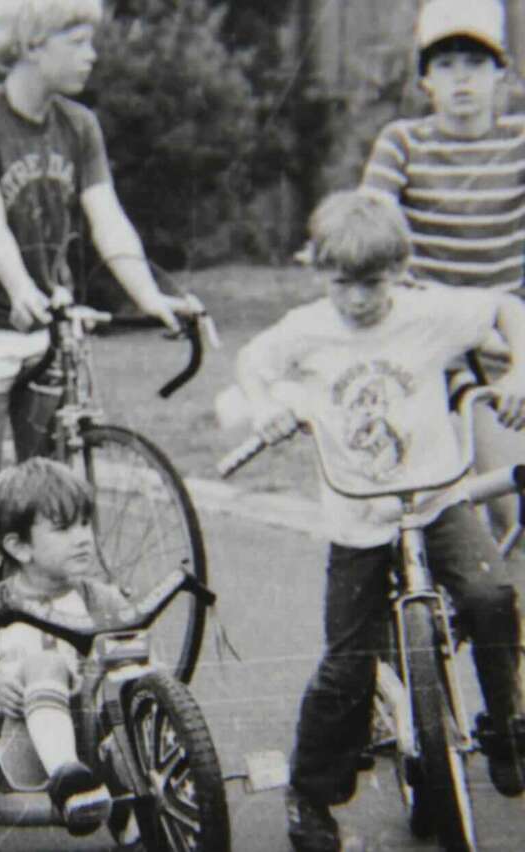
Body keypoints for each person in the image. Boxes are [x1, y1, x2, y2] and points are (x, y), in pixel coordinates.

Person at [235, 191, 525, 852]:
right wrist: (269, 407)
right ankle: (311, 798)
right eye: (341, 283)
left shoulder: (426, 315)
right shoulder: (308, 327)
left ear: (399, 269)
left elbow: (508, 308)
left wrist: (519, 375)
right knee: (347, 666)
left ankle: (505, 725)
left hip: (436, 497)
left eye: (371, 283)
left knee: (490, 595)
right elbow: (256, 363)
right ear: (320, 274)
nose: (356, 299)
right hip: (359, 518)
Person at [0, 0, 196, 566]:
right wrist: (19, 286)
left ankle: (46, 632)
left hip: (48, 330)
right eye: (77, 41)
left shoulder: (79, 126)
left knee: (48, 506)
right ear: (33, 43)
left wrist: (151, 296)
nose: (92, 54)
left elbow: (108, 219)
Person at [360, 0, 525, 539]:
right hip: (432, 334)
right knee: (461, 496)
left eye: (476, 64)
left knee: (510, 504)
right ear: (425, 78)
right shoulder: (404, 143)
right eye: (446, 64)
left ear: (502, 73)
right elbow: (372, 223)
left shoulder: (519, 143)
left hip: (508, 332)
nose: (462, 80)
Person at [0, 457, 135, 836]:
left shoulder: (102, 600)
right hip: (18, 755)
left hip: (92, 740)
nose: (84, 538)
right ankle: (67, 779)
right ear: (21, 548)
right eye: (64, 529)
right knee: (45, 665)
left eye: (86, 524)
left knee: (130, 681)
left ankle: (130, 793)